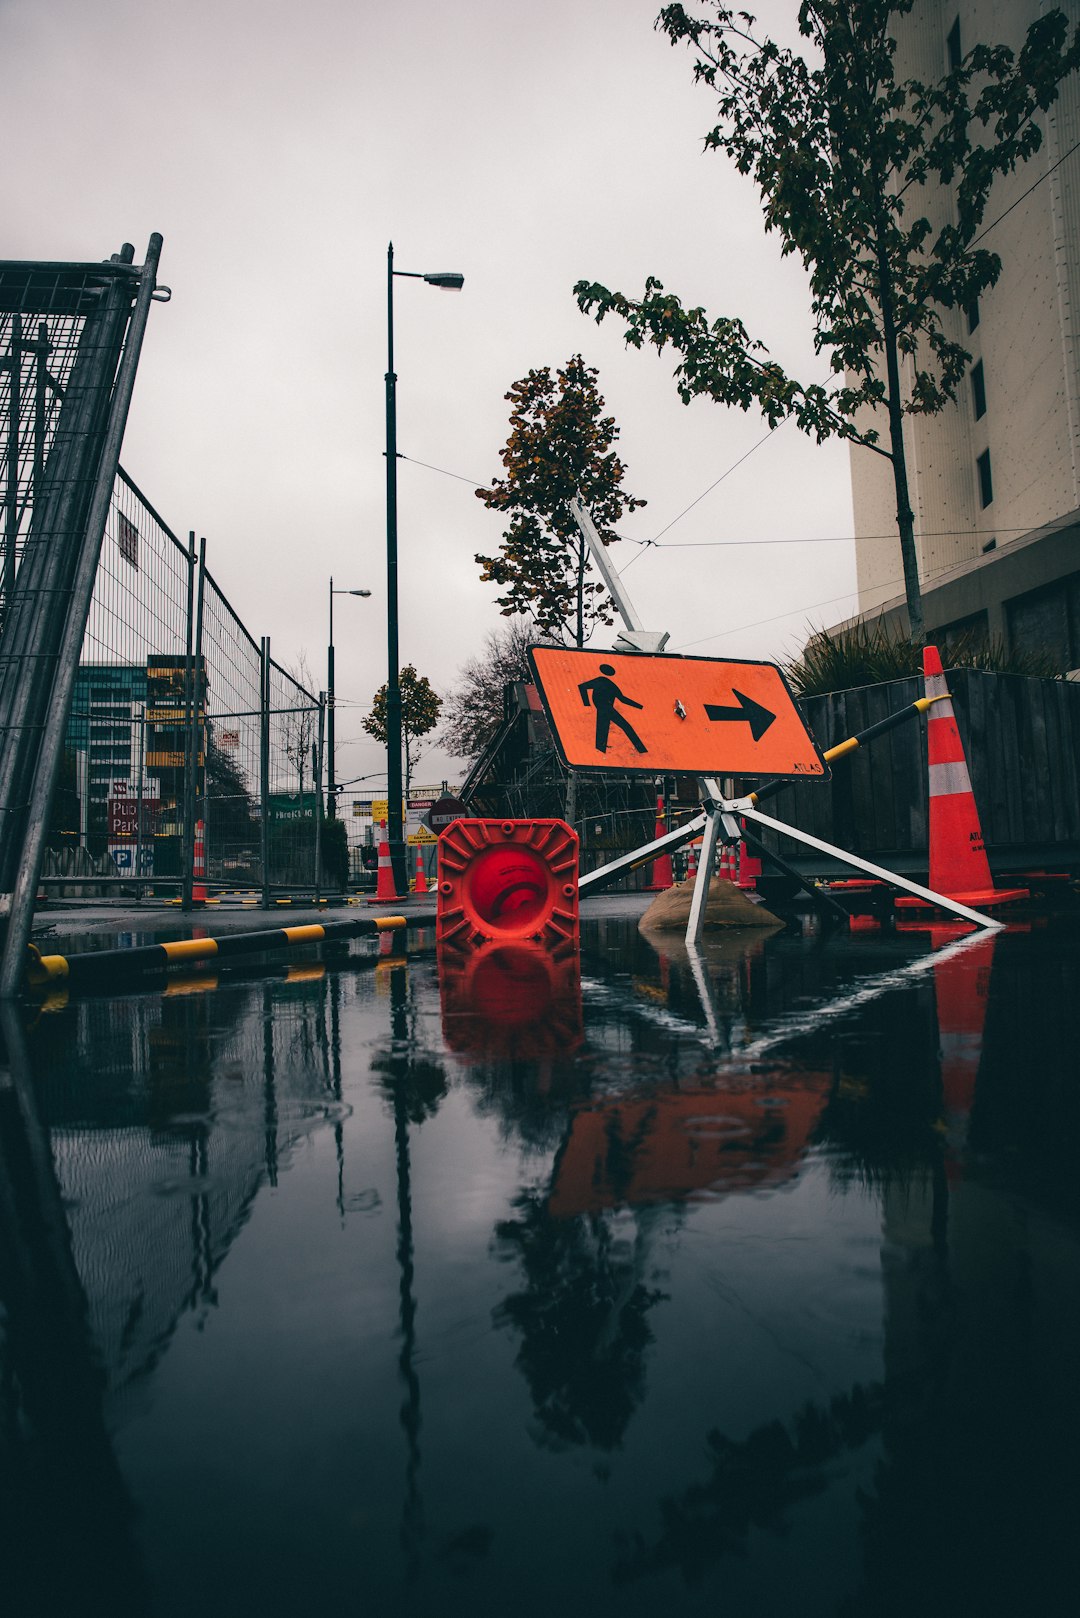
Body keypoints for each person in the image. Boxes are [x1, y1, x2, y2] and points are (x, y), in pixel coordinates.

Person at [577, 663, 647, 754]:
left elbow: (622, 699)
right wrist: (586, 704)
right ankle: (641, 750)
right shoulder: (601, 680)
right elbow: (582, 687)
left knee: (603, 730)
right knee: (622, 727)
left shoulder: (611, 685)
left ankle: (600, 753)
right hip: (605, 708)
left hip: (606, 709)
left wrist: (640, 706)